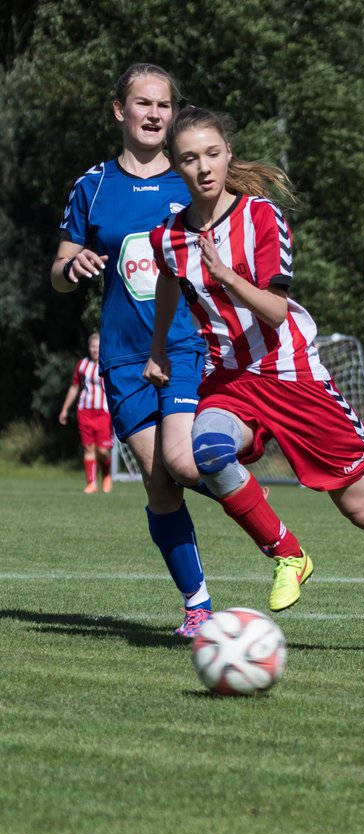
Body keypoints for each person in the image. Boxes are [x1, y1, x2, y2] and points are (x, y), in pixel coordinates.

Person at [143, 106, 364, 655]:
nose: (203, 168)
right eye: (189, 158)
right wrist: (158, 351)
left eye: (213, 154)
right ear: (175, 165)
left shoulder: (263, 218)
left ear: (228, 154)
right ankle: (288, 553)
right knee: (208, 450)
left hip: (294, 379)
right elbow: (171, 284)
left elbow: (274, 311)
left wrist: (225, 274)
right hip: (229, 377)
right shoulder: (168, 237)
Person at [50, 63, 215, 637]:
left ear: (173, 115)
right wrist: (73, 267)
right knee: (155, 475)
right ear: (119, 111)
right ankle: (198, 605)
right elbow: (58, 273)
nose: (153, 115)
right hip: (122, 355)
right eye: (142, 104)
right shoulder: (92, 186)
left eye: (163, 106)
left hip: (189, 345)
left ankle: (259, 512)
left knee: (183, 462)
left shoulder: (195, 180)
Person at [58, 333, 114, 494]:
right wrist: (64, 409)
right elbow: (75, 387)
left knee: (102, 451)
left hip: (103, 412)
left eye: (98, 346)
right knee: (89, 448)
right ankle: (91, 483)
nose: (95, 350)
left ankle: (106, 474)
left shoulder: (107, 364)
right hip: (85, 411)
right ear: (89, 348)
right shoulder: (82, 365)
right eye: (92, 346)